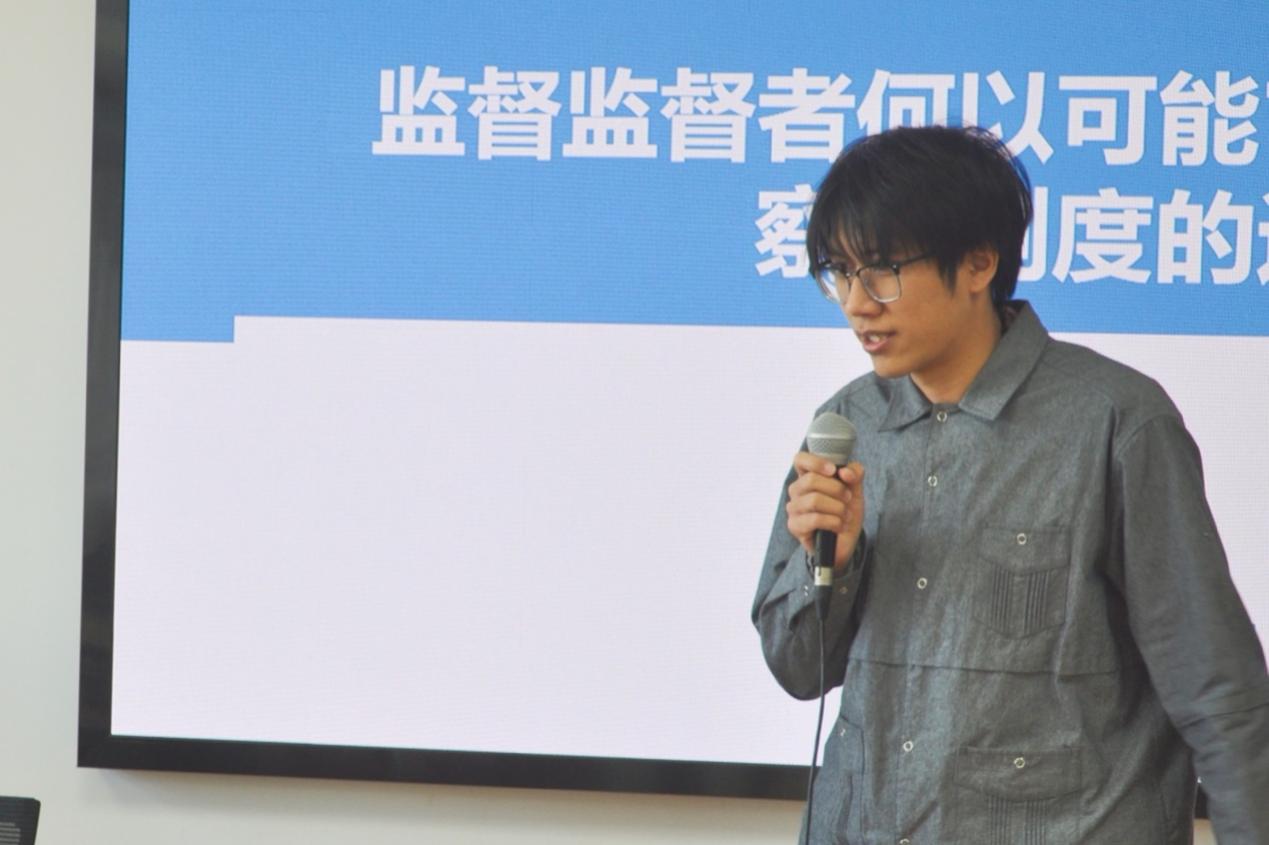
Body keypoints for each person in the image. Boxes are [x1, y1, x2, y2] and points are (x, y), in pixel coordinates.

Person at [752, 124, 1269, 844]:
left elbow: (1215, 688)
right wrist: (832, 568)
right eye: (838, 271)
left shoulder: (1115, 422)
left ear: (978, 263)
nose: (856, 302)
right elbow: (798, 670)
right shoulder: (846, 425)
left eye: (882, 269)